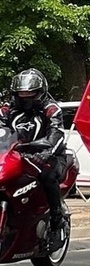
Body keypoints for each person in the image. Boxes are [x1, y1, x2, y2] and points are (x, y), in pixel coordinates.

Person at [0, 68, 67, 249]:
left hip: (49, 155)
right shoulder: (7, 110)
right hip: (16, 155)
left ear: (40, 92)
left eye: (30, 93)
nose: (25, 97)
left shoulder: (51, 109)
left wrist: (46, 153)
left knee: (47, 175)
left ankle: (56, 220)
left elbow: (57, 135)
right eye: (21, 94)